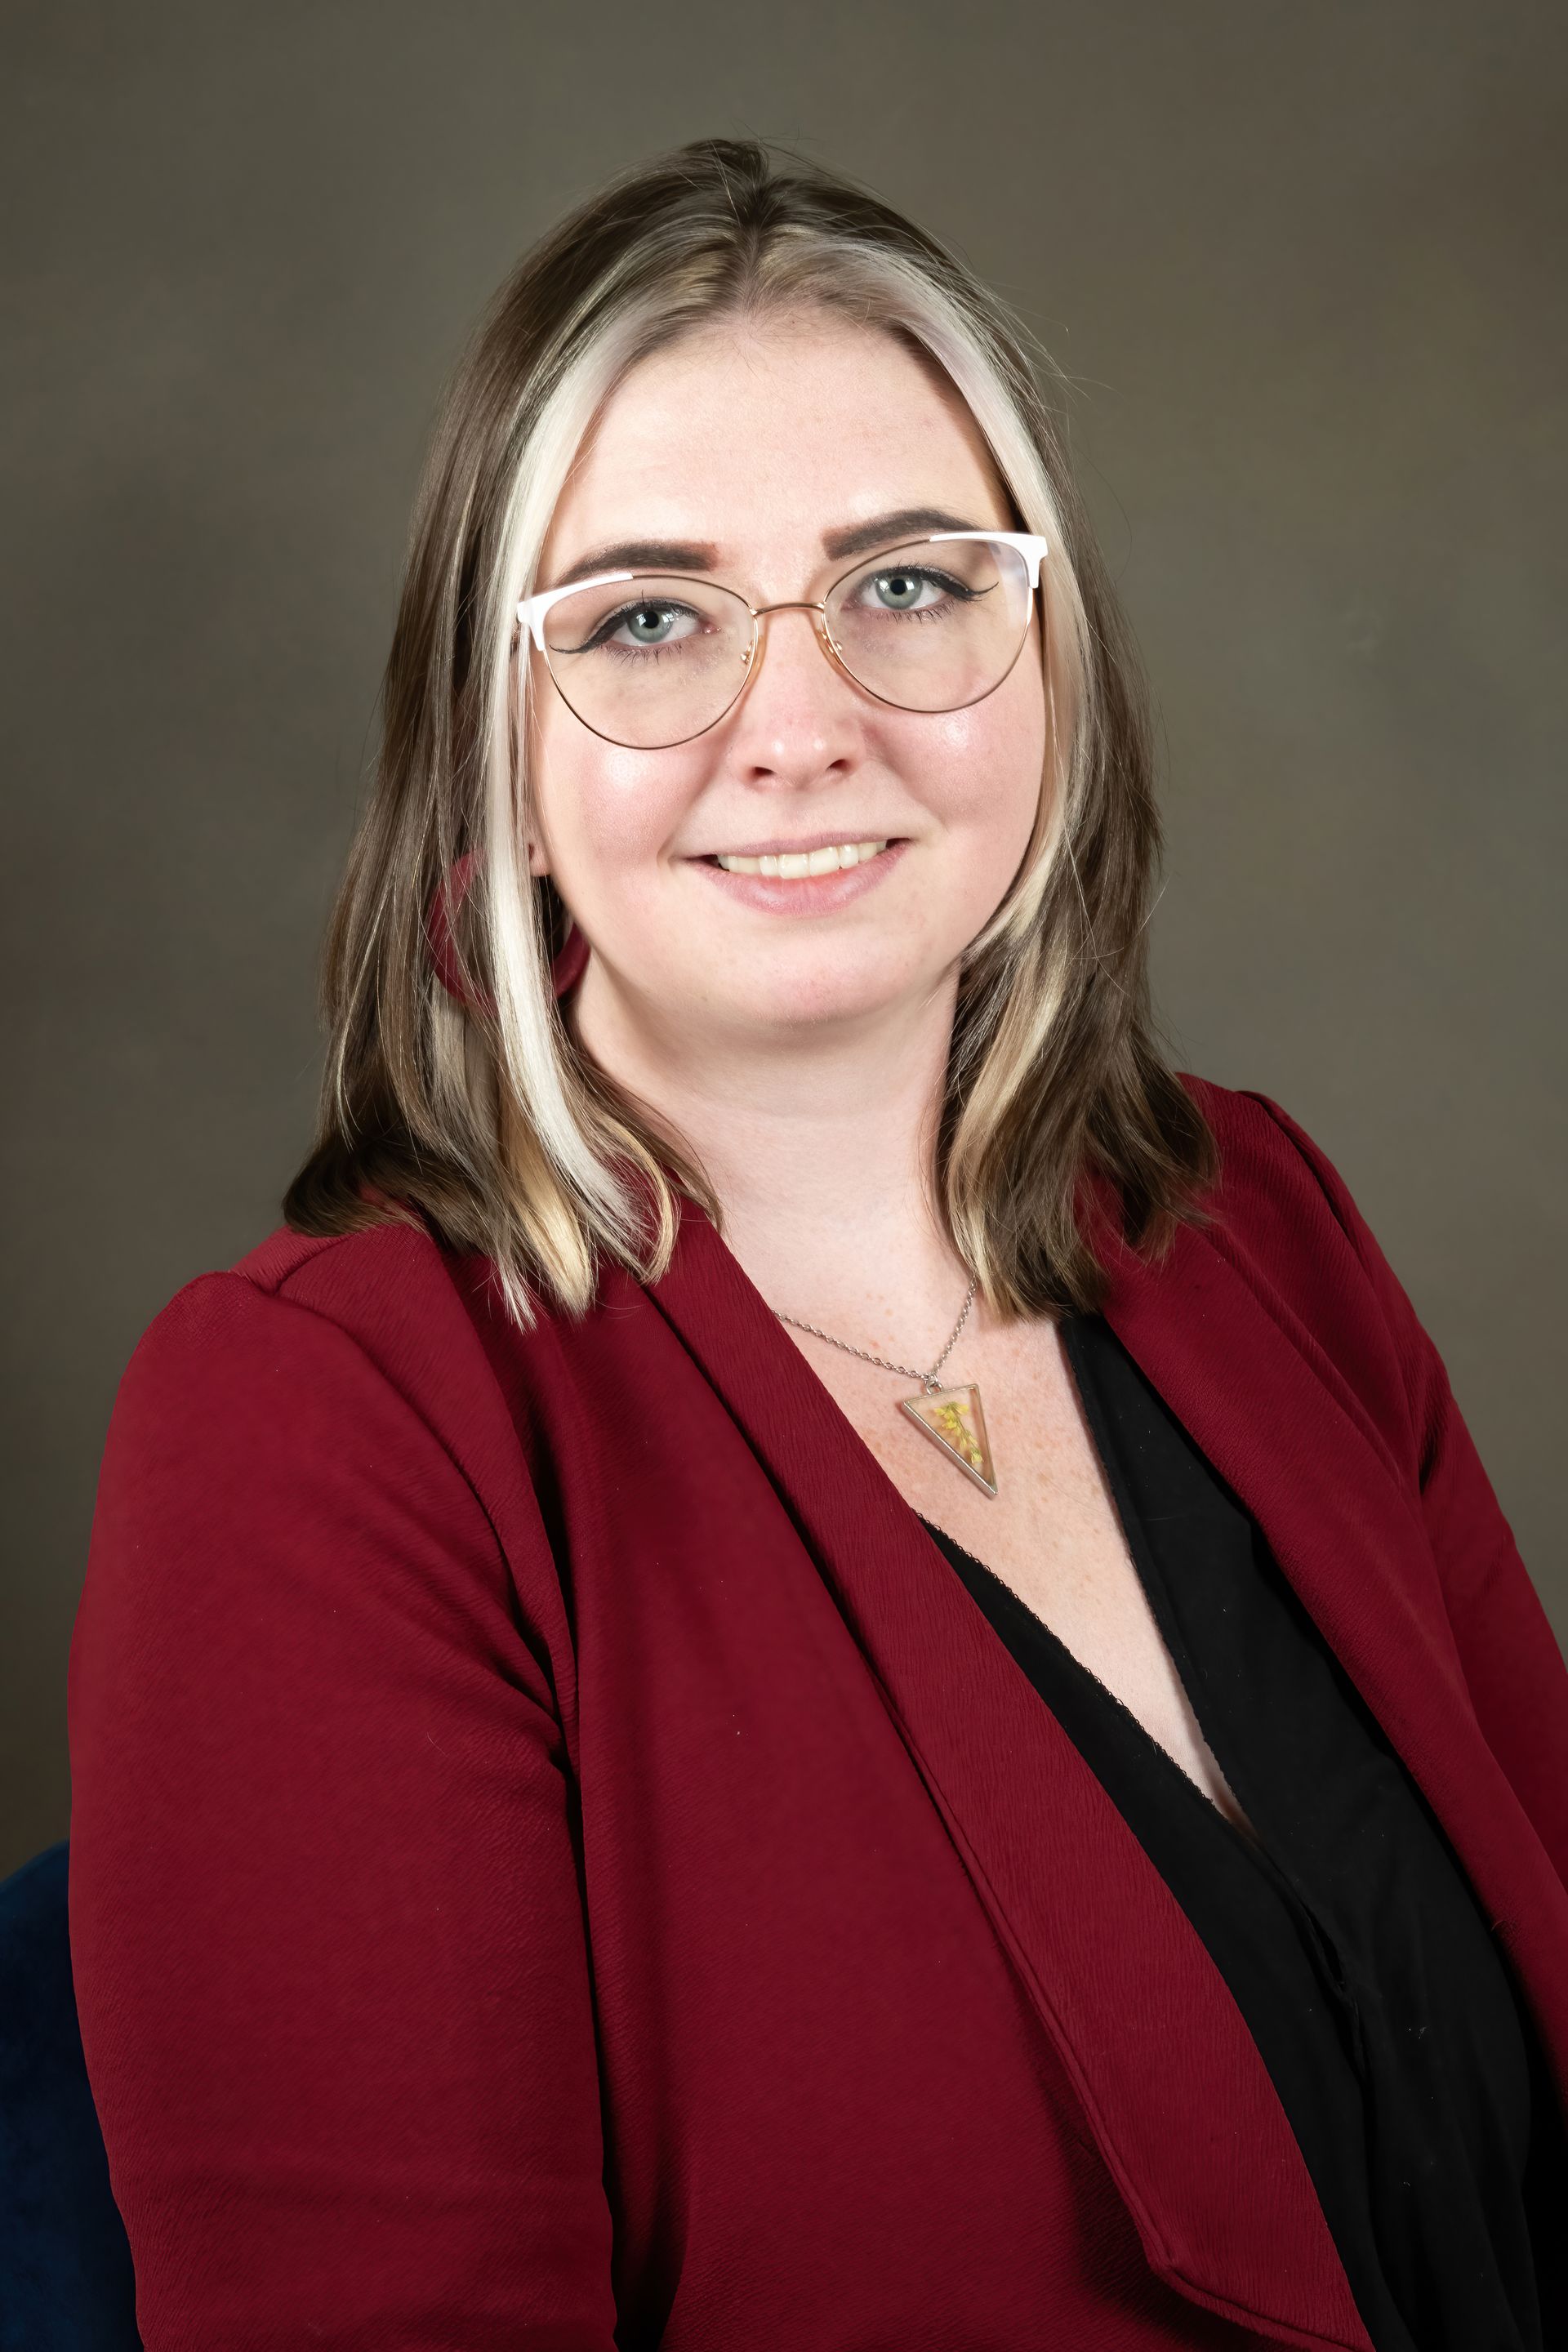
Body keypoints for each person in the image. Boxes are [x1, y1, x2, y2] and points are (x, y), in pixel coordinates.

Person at [67, 137, 1568, 2352]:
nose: (804, 727)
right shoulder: (330, 1431)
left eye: (908, 584)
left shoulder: (1261, 1228)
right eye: (649, 621)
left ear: (1045, 652)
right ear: (491, 742)